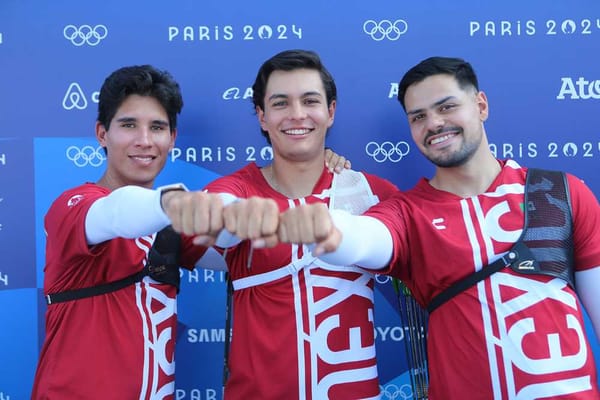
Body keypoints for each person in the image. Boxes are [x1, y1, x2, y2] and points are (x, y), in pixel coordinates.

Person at [269, 57, 600, 399]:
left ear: (480, 105)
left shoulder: (561, 192)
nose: (435, 123)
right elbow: (366, 238)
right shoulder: (408, 211)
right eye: (419, 117)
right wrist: (325, 226)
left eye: (447, 107)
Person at [31, 64, 350, 399]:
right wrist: (177, 205)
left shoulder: (171, 228)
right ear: (101, 134)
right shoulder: (76, 206)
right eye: (128, 125)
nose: (144, 140)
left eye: (157, 127)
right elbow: (116, 212)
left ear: (172, 139)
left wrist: (313, 166)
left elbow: (253, 255)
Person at [201, 49, 399, 399]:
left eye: (310, 101)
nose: (297, 115)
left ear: (330, 111)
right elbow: (215, 212)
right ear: (262, 117)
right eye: (280, 103)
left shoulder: (371, 193)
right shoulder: (237, 189)